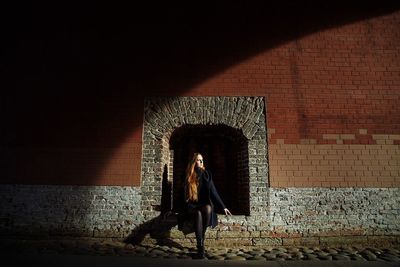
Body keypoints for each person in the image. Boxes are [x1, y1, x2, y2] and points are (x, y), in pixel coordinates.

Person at [180, 153, 232, 259]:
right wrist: (172, 210)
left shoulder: (206, 174)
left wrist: (223, 206)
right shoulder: (188, 176)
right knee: (198, 213)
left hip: (203, 204)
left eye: (202, 160)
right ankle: (200, 246)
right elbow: (180, 194)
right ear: (194, 162)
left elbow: (214, 191)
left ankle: (201, 239)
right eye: (198, 160)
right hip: (191, 205)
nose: (201, 162)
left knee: (208, 207)